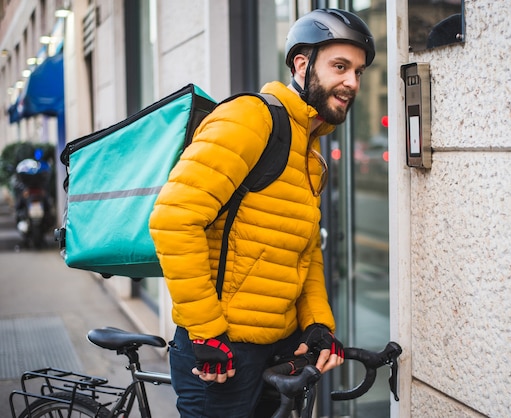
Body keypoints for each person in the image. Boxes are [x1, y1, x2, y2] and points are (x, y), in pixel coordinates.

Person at [149, 8, 375, 418]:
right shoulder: (252, 118)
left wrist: (318, 326)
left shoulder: (308, 147)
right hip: (223, 354)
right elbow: (173, 218)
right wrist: (206, 332)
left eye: (358, 71)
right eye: (340, 66)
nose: (351, 82)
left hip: (278, 348)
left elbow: (304, 251)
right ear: (302, 65)